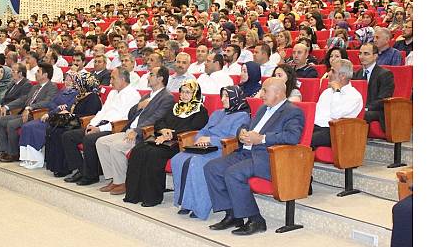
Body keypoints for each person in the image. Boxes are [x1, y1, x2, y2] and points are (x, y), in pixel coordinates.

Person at [203, 78, 304, 235]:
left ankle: (256, 220)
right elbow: (247, 126)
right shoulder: (264, 108)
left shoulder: (293, 111)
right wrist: (241, 132)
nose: (261, 94)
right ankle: (233, 215)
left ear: (278, 93)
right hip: (246, 152)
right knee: (212, 168)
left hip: (268, 157)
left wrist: (262, 138)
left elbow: (292, 137)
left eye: (265, 91)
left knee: (233, 173)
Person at [170, 86, 251, 220]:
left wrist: (210, 140)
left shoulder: (242, 117)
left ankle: (200, 207)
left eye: (227, 96)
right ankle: (185, 202)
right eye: (222, 96)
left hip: (222, 150)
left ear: (236, 98)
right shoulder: (217, 113)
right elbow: (203, 130)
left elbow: (234, 138)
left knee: (196, 163)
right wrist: (199, 139)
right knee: (177, 159)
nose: (223, 99)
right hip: (205, 147)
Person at [124, 80, 209, 207]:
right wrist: (163, 130)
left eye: (188, 92)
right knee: (138, 150)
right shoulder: (175, 106)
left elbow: (193, 129)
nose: (184, 95)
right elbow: (159, 121)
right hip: (161, 138)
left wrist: (170, 135)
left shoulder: (200, 111)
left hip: (178, 143)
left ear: (195, 94)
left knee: (153, 154)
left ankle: (152, 198)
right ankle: (134, 194)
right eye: (182, 92)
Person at [95, 67, 175, 195]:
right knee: (101, 142)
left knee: (116, 147)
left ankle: (122, 182)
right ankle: (115, 179)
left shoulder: (167, 97)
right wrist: (139, 105)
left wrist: (137, 130)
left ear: (160, 78)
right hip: (129, 129)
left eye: (151, 75)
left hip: (142, 134)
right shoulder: (147, 95)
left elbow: (157, 118)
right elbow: (131, 113)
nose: (148, 77)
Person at [62, 67, 141, 186]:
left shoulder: (132, 95)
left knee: (89, 139)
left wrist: (99, 129)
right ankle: (81, 170)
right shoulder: (113, 92)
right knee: (68, 136)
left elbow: (123, 119)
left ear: (123, 79)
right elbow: (102, 111)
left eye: (113, 78)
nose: (111, 81)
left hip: (113, 128)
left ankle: (91, 175)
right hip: (100, 124)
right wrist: (92, 124)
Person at [0, 63, 58, 162]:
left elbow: (47, 102)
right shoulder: (35, 87)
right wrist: (7, 106)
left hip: (36, 115)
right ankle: (5, 151)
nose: (35, 73)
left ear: (45, 75)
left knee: (11, 124)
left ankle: (14, 154)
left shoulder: (52, 87)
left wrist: (30, 107)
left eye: (38, 71)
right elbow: (23, 99)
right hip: (24, 113)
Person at [43, 72, 103, 177]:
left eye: (79, 83)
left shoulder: (93, 97)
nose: (76, 85)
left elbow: (89, 115)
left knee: (61, 132)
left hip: (82, 123)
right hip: (75, 120)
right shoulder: (81, 95)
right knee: (52, 129)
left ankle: (65, 167)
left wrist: (72, 115)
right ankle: (56, 165)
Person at [18, 73, 80, 169]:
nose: (67, 82)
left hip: (59, 120)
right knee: (27, 126)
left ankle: (37, 159)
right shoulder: (62, 91)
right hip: (50, 115)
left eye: (70, 80)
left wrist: (52, 111)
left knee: (34, 128)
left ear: (76, 82)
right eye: (66, 79)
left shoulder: (76, 94)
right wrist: (56, 108)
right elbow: (51, 103)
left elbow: (67, 108)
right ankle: (27, 158)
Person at [310, 59, 363, 149]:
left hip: (335, 132)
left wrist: (337, 91)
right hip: (315, 127)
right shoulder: (327, 92)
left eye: (332, 71)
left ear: (342, 76)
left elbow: (335, 115)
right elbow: (316, 115)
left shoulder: (354, 96)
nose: (328, 74)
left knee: (306, 140)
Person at [352, 43, 395, 131]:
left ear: (375, 56)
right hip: (361, 108)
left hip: (377, 111)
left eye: (366, 54)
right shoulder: (356, 74)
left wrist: (365, 108)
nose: (362, 56)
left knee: (359, 115)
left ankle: (356, 141)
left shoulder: (385, 74)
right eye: (360, 53)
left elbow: (383, 99)